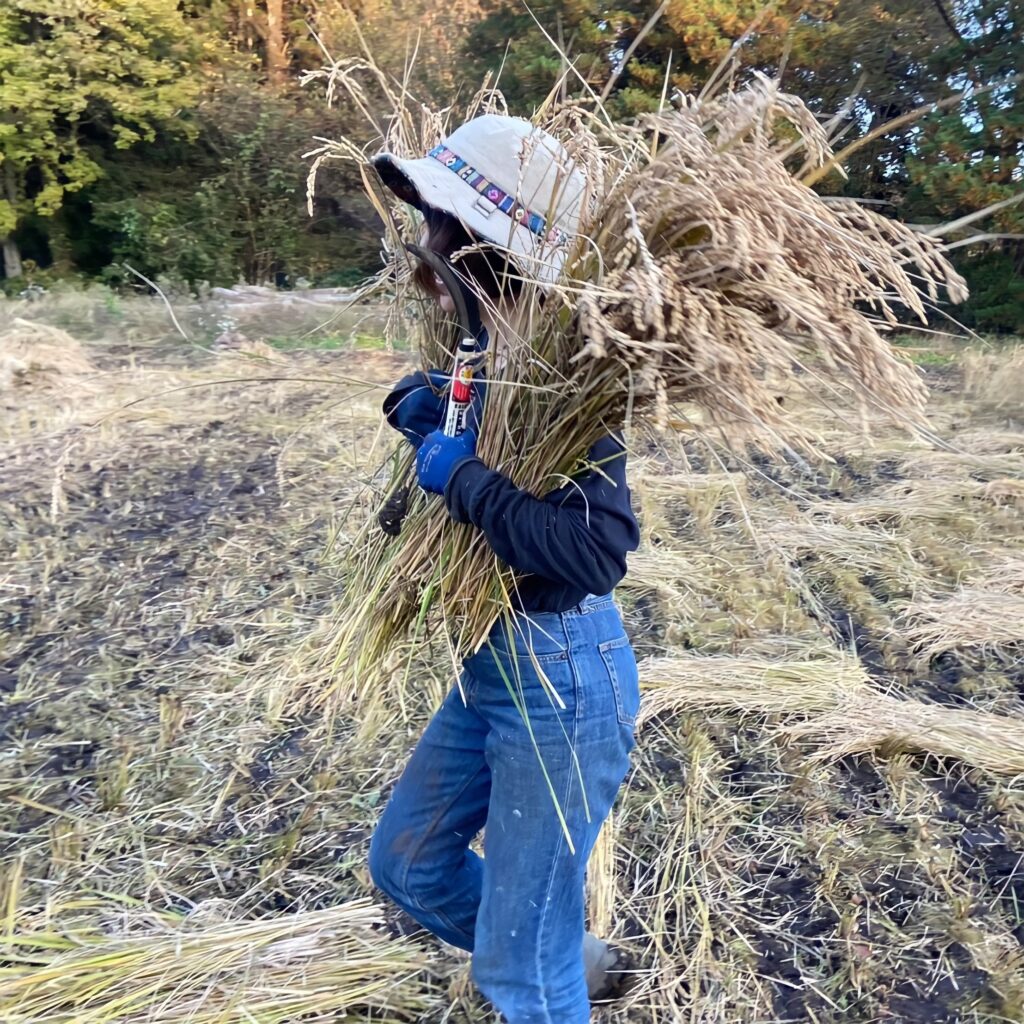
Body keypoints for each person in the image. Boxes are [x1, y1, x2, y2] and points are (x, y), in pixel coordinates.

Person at [366, 114, 641, 1024]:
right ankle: (564, 951)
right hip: (496, 660)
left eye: (439, 229)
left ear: (481, 246)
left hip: (562, 673)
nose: (424, 248)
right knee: (407, 865)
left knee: (521, 980)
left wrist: (467, 481)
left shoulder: (573, 381)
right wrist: (434, 410)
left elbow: (598, 553)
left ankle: (548, 965)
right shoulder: (488, 352)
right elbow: (474, 447)